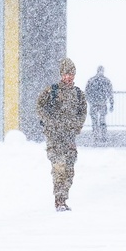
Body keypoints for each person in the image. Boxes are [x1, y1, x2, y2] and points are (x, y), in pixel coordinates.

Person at [36, 57, 88, 212]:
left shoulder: (78, 94)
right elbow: (39, 107)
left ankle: (63, 198)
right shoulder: (52, 91)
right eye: (66, 73)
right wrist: (49, 121)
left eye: (71, 73)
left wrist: (76, 126)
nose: (69, 76)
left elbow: (83, 112)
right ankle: (58, 200)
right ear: (61, 74)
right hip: (54, 137)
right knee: (59, 167)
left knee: (69, 170)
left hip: (69, 138)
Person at [85, 65, 115, 144]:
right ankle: (103, 136)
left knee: (95, 121)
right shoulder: (106, 81)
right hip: (102, 103)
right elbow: (110, 93)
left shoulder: (91, 80)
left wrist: (90, 101)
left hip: (94, 104)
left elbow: (87, 92)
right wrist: (111, 103)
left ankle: (96, 136)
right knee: (102, 120)